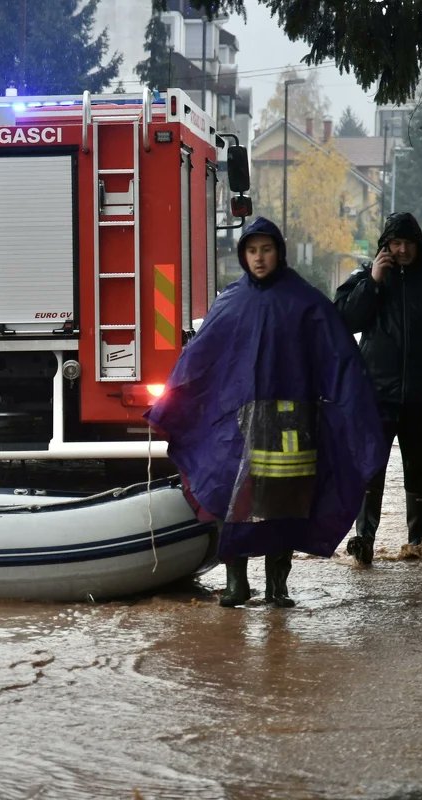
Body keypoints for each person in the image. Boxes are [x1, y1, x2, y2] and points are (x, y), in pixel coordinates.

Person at [146, 217, 384, 608]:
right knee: (228, 495)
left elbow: (338, 357)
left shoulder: (305, 301)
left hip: (291, 423)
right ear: (243, 254)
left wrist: (356, 413)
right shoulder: (231, 302)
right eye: (252, 251)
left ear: (279, 252)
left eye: (266, 250)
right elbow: (199, 360)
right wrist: (171, 404)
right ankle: (236, 583)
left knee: (287, 504)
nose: (259, 258)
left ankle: (278, 586)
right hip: (236, 425)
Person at [335, 211, 422, 565]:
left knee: (419, 466)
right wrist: (373, 282)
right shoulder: (368, 276)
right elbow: (343, 318)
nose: (401, 250)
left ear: (419, 245)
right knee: (370, 465)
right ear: (385, 245)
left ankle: (417, 541)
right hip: (375, 393)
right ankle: (363, 539)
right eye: (395, 244)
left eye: (407, 244)